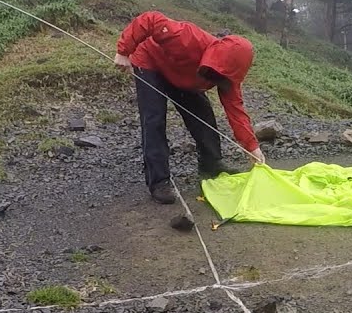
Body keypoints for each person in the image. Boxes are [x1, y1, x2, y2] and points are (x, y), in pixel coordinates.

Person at [114, 11, 266, 204]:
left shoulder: (229, 77)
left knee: (204, 116)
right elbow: (149, 19)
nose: (216, 79)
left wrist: (252, 148)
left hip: (184, 78)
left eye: (220, 77)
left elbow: (235, 110)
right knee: (154, 120)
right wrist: (123, 51)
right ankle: (159, 182)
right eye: (214, 72)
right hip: (151, 63)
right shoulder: (188, 37)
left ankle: (211, 165)